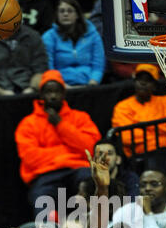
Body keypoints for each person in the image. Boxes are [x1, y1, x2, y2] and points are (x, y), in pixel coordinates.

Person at [14, 69, 101, 218]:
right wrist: (68, 153)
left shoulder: (80, 118)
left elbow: (90, 148)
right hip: (46, 176)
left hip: (78, 170)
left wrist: (61, 125)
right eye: (48, 92)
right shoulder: (28, 124)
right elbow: (31, 158)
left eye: (57, 92)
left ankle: (97, 227)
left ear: (64, 93)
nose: (53, 96)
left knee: (92, 182)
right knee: (41, 197)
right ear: (41, 95)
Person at [111, 63, 166, 158]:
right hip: (139, 155)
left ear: (155, 86)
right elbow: (126, 138)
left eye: (148, 80)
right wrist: (160, 133)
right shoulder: (122, 106)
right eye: (139, 79)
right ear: (134, 82)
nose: (143, 83)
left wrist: (143, 124)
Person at [42, 0, 105, 87]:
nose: (65, 14)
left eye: (70, 11)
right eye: (62, 11)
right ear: (57, 15)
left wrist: (93, 82)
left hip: (89, 85)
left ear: (78, 15)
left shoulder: (93, 34)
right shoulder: (49, 37)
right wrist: (61, 85)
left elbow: (98, 65)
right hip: (61, 86)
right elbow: (49, 67)